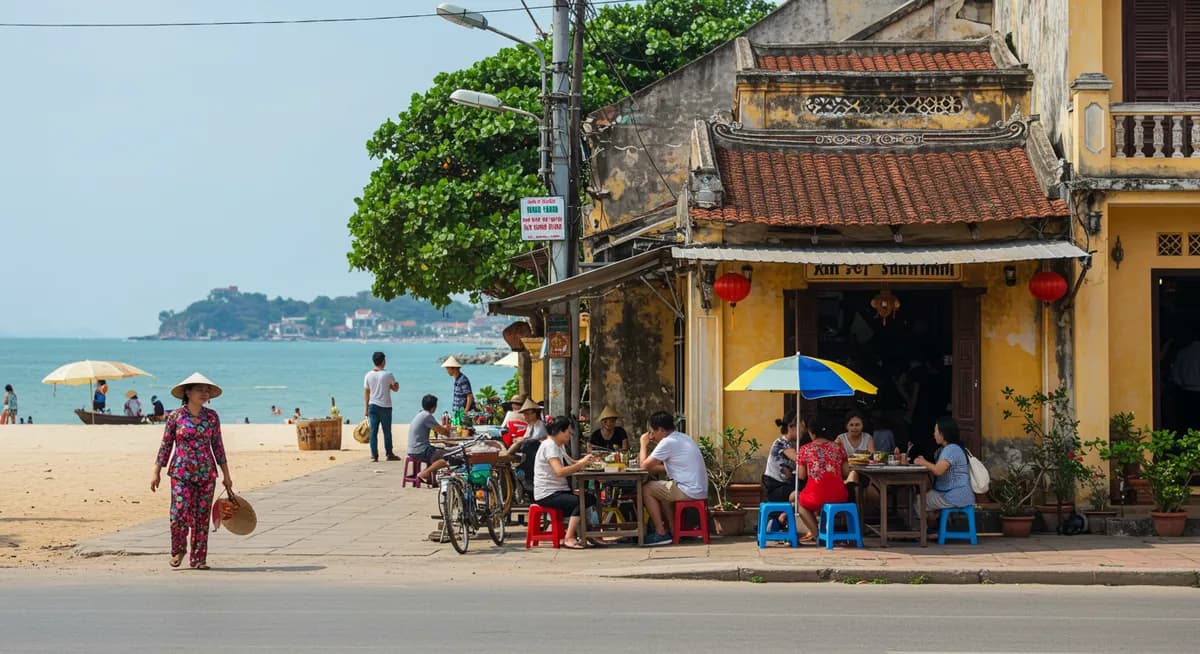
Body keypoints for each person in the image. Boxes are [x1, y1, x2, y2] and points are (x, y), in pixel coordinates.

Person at [150, 372, 232, 570]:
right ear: (188, 392)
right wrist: (156, 471)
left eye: (207, 390)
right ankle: (178, 549)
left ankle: (198, 559)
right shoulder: (175, 417)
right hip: (181, 472)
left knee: (201, 517)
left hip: (206, 473)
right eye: (199, 390)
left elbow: (218, 446)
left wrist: (227, 476)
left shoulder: (212, 417)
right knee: (179, 513)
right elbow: (166, 445)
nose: (204, 393)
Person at [639, 411, 708, 546]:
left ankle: (660, 532)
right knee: (664, 491)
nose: (651, 436)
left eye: (652, 432)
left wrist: (643, 444)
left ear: (660, 430)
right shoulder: (682, 437)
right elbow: (664, 467)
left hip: (689, 490)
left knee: (646, 488)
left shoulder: (667, 442)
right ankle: (674, 530)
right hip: (697, 488)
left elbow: (644, 466)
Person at [533, 417, 601, 549]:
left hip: (558, 490)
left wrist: (585, 460)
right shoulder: (550, 446)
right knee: (581, 501)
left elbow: (572, 462)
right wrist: (581, 464)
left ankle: (591, 534)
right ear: (559, 431)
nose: (570, 436)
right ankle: (569, 537)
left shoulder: (559, 446)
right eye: (568, 433)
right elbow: (560, 471)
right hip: (548, 494)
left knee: (590, 498)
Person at [793, 413, 850, 541]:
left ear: (811, 432)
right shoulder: (838, 448)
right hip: (839, 496)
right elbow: (846, 473)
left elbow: (801, 476)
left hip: (816, 497)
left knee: (799, 503)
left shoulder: (804, 449)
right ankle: (821, 533)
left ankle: (818, 535)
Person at [914, 416, 974, 522]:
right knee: (926, 496)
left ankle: (922, 531)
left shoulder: (950, 449)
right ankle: (934, 526)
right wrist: (926, 463)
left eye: (935, 431)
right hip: (954, 494)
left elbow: (938, 470)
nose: (934, 434)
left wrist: (923, 462)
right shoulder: (948, 449)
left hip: (954, 496)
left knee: (918, 500)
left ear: (943, 434)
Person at [363, 351, 400, 462]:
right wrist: (395, 385)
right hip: (385, 406)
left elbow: (366, 392)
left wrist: (366, 409)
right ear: (383, 361)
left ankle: (374, 455)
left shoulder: (368, 375)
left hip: (372, 406)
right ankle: (389, 453)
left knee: (373, 432)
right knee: (387, 431)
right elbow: (395, 389)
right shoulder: (388, 374)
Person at [411, 394, 454, 485]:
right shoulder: (427, 416)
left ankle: (431, 479)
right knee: (448, 456)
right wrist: (448, 431)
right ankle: (425, 472)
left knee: (440, 451)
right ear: (433, 407)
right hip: (420, 450)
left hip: (413, 448)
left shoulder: (420, 414)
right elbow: (442, 431)